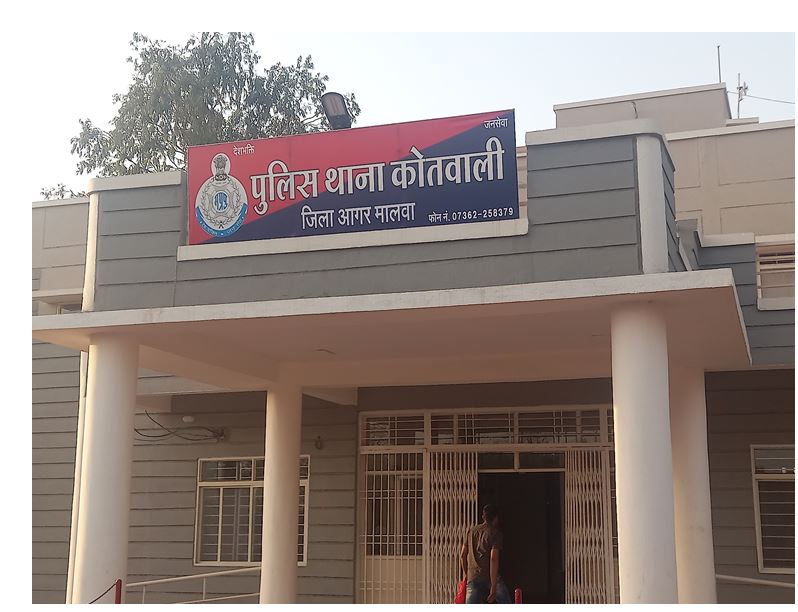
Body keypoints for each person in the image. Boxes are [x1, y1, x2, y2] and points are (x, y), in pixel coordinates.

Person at [459, 504, 512, 604]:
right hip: (489, 577)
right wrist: (493, 586)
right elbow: (493, 559)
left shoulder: (471, 531)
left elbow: (462, 555)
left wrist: (467, 574)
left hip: (473, 577)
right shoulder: (495, 534)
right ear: (496, 518)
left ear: (483, 517)